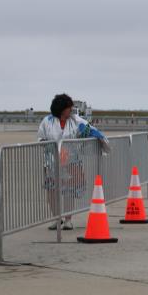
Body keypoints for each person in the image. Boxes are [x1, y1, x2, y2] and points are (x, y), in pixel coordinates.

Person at [37, 93, 109, 230]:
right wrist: (50, 146)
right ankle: (57, 218)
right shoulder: (47, 121)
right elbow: (40, 138)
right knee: (52, 191)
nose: (71, 109)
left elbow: (91, 130)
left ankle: (68, 219)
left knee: (69, 191)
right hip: (52, 162)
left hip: (71, 162)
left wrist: (95, 137)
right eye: (68, 107)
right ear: (61, 108)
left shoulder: (76, 120)